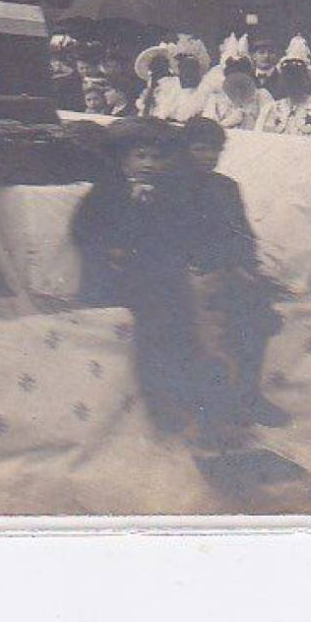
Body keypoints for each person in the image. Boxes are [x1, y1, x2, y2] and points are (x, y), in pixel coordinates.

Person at [72, 118, 218, 440]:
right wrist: (123, 228)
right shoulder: (106, 192)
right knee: (153, 322)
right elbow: (85, 234)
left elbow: (178, 236)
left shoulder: (167, 193)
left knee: (181, 316)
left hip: (158, 276)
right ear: (124, 160)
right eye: (141, 156)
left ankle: (191, 400)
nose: (149, 164)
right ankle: (159, 405)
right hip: (116, 279)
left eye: (155, 157)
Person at [179, 116, 289, 431]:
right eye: (200, 149)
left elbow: (243, 234)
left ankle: (249, 395)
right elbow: (177, 238)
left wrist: (247, 268)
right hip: (191, 273)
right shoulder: (174, 187)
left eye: (214, 150)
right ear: (186, 149)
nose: (208, 157)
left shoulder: (226, 187)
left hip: (227, 271)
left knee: (256, 312)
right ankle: (212, 408)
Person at [256, 35, 311, 135]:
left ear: (307, 78)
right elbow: (258, 138)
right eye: (288, 75)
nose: (292, 80)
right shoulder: (271, 109)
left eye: (297, 75)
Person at [199, 34, 270, 130]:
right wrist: (226, 123)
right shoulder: (215, 99)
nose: (238, 79)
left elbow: (268, 127)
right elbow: (207, 129)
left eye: (242, 72)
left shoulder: (261, 96)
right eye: (233, 73)